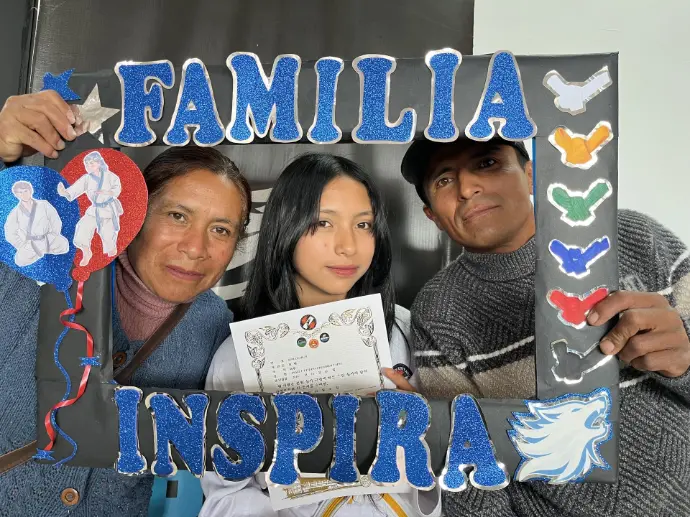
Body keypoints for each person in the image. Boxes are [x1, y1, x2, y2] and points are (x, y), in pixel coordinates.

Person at [393, 137, 690, 516]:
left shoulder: (632, 235)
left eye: (486, 163)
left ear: (531, 174)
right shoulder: (437, 310)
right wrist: (438, 434)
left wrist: (684, 362)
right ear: (432, 214)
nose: (467, 188)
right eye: (444, 180)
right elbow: (472, 478)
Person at [0, 91, 252, 516]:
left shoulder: (215, 327)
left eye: (221, 230)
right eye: (177, 216)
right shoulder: (38, 265)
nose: (196, 248)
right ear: (134, 214)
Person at [199, 153, 441, 517]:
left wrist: (422, 429)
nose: (348, 246)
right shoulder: (238, 355)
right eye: (323, 222)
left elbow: (452, 472)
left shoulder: (410, 332)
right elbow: (225, 495)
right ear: (286, 227)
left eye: (363, 225)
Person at [57, 149, 123, 266]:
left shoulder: (110, 176)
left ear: (99, 163)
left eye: (92, 163)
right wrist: (65, 192)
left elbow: (117, 188)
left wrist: (108, 192)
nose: (89, 166)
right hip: (94, 209)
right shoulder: (86, 178)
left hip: (108, 209)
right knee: (82, 227)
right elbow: (76, 189)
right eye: (87, 164)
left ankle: (112, 256)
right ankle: (86, 252)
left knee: (108, 234)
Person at [4, 179, 69, 266]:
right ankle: (39, 252)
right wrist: (21, 245)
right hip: (31, 243)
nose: (23, 194)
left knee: (64, 245)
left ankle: (46, 250)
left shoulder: (44, 204)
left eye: (25, 191)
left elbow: (55, 220)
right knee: (19, 261)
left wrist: (54, 234)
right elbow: (9, 232)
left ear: (31, 191)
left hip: (48, 238)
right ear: (16, 195)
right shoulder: (15, 213)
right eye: (20, 192)